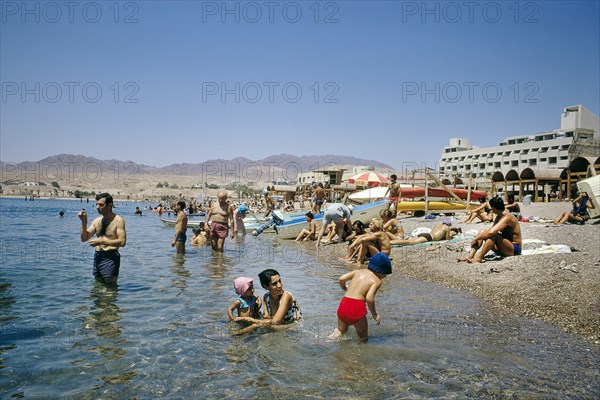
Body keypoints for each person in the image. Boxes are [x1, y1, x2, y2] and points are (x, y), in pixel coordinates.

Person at [329, 252, 392, 342]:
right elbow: (369, 298)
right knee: (363, 338)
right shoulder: (377, 281)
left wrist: (345, 288)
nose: (385, 277)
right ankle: (358, 355)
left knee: (341, 331)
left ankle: (327, 343)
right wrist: (375, 315)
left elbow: (341, 278)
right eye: (386, 274)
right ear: (382, 270)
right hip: (356, 307)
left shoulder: (358, 272)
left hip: (344, 303)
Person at [233, 269, 302, 334]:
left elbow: (276, 322)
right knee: (255, 329)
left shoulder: (286, 296)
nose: (279, 285)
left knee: (255, 326)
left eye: (280, 281)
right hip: (277, 327)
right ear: (265, 286)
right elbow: (265, 316)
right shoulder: (266, 297)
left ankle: (234, 334)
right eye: (274, 283)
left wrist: (249, 320)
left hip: (292, 328)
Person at [78, 193, 127, 285]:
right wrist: (84, 222)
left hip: (110, 256)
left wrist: (101, 241)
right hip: (98, 256)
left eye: (100, 205)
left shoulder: (118, 220)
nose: (97, 207)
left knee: (110, 288)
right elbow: (84, 238)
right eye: (96, 204)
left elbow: (122, 242)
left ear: (109, 205)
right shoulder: (97, 221)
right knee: (98, 286)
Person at [464, 196, 522, 263]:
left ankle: (478, 258)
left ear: (493, 208)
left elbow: (491, 232)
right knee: (482, 232)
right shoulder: (499, 216)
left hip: (514, 249)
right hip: (504, 247)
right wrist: (479, 235)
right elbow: (490, 230)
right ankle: (471, 256)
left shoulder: (507, 217)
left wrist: (475, 239)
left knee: (494, 235)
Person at [393, 219, 461, 246]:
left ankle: (391, 241)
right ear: (449, 225)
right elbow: (447, 239)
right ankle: (390, 242)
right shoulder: (447, 228)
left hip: (426, 234)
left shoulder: (437, 225)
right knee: (410, 243)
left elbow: (432, 232)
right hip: (429, 237)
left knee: (407, 241)